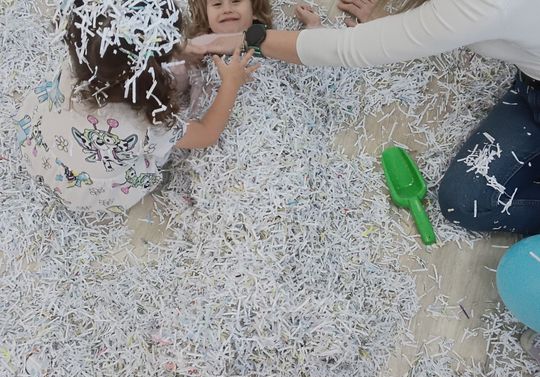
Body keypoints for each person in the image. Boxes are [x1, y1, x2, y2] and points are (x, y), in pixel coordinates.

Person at [196, 0, 540, 235]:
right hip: (528, 78)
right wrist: (398, 22)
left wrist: (249, 38)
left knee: (469, 205)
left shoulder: (485, 6)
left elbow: (348, 49)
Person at [15, 0, 258, 213]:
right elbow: (207, 133)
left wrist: (171, 47)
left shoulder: (79, 65)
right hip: (86, 191)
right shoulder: (148, 122)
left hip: (39, 147)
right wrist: (231, 83)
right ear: (152, 69)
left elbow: (118, 52)